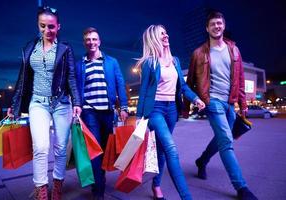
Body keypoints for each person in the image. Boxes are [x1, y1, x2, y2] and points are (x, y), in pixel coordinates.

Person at [7, 6, 82, 200]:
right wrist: (14, 105)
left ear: (58, 27)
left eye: (51, 27)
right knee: (40, 147)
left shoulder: (65, 48)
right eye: (42, 26)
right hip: (37, 103)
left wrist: (77, 102)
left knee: (60, 148)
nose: (47, 30)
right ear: (38, 25)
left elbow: (72, 77)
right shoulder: (29, 48)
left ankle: (57, 185)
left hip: (61, 103)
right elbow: (22, 78)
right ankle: (41, 190)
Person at [186, 11, 258, 200]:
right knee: (226, 141)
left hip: (230, 102)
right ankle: (241, 188)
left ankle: (202, 161)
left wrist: (242, 103)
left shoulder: (234, 50)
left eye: (219, 23)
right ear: (207, 28)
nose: (216, 26)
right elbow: (190, 82)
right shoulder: (198, 53)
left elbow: (240, 78)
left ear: (223, 25)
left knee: (222, 138)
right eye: (212, 24)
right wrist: (190, 104)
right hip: (212, 102)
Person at [135, 25, 205, 200]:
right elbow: (143, 91)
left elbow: (182, 86)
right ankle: (186, 197)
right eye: (161, 34)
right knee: (172, 150)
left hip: (172, 110)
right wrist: (139, 117)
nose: (166, 36)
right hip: (155, 110)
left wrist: (195, 98)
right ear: (154, 39)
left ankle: (156, 185)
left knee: (162, 150)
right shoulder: (149, 62)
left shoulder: (175, 61)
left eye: (166, 32)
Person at [76, 27, 128, 200]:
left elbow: (120, 83)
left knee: (106, 150)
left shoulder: (111, 62)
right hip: (89, 112)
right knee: (95, 150)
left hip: (107, 111)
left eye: (94, 39)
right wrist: (76, 105)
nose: (91, 42)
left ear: (99, 42)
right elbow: (76, 88)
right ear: (84, 43)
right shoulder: (80, 64)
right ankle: (98, 190)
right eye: (88, 40)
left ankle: (98, 178)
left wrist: (124, 107)